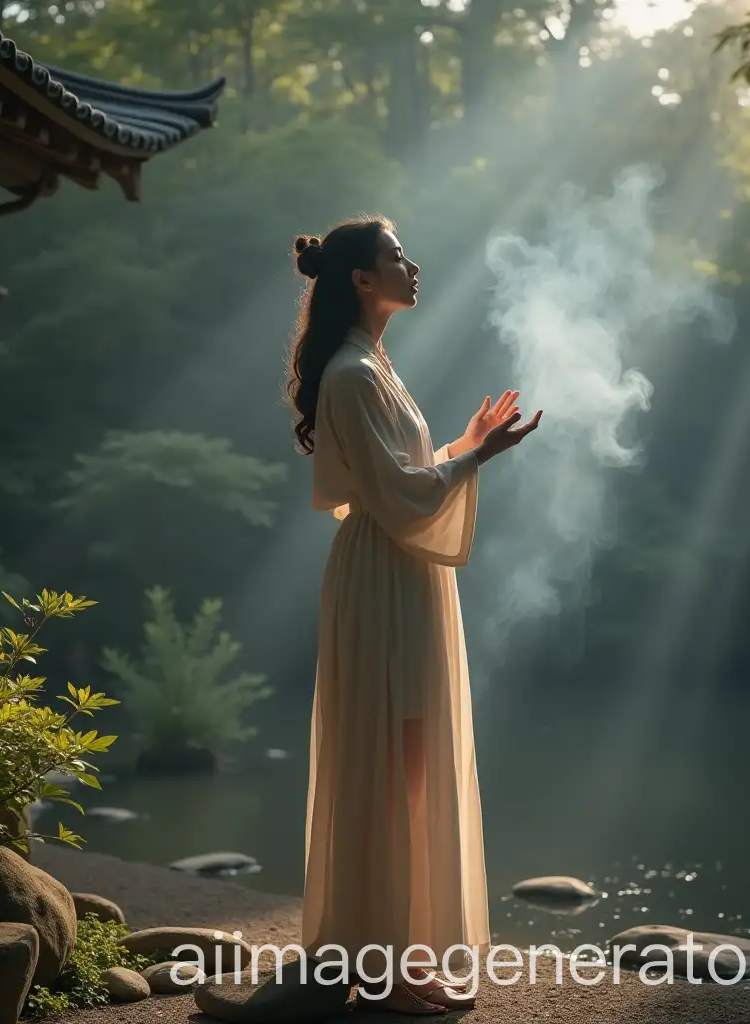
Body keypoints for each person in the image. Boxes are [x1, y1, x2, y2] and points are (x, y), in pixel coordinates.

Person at [283, 214, 541, 1015]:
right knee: (389, 760)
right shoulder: (354, 375)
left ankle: (402, 950)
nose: (413, 265)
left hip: (403, 575)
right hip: (384, 575)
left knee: (413, 762)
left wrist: (461, 446)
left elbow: (401, 479)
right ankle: (385, 963)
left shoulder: (373, 364)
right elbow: (396, 498)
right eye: (397, 255)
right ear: (363, 278)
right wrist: (474, 456)